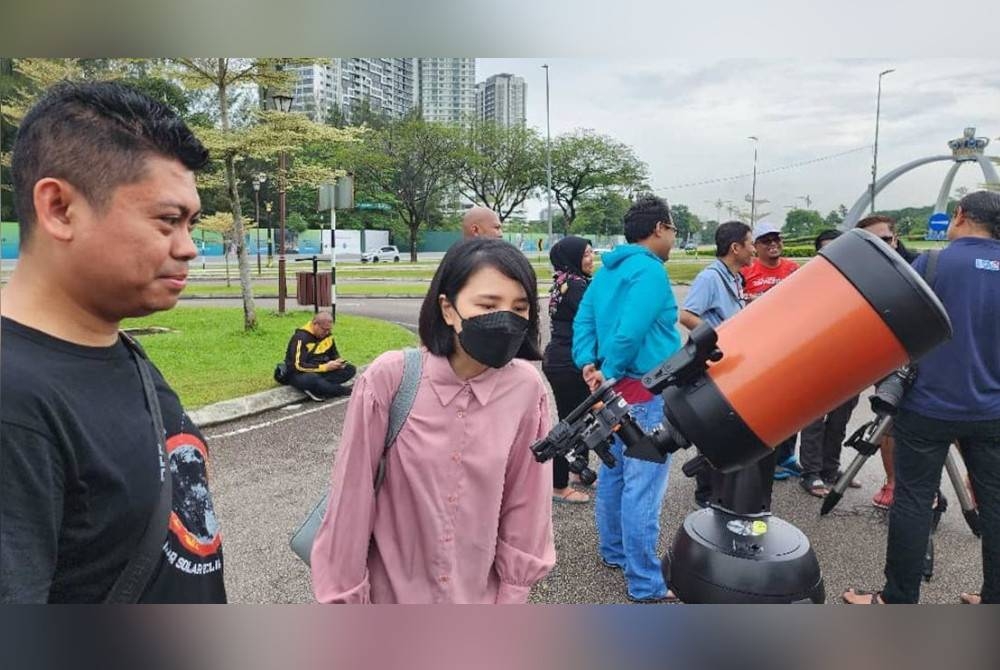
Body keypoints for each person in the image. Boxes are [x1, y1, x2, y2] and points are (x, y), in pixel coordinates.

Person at [1, 81, 226, 603]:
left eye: (190, 223)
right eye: (168, 221)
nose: (189, 248)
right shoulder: (15, 401)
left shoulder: (117, 349)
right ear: (59, 208)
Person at [311, 238, 555, 603]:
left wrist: (513, 594)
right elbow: (352, 498)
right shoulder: (391, 378)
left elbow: (528, 502)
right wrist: (346, 598)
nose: (506, 318)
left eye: (519, 307)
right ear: (448, 308)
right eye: (488, 304)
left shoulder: (525, 389)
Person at [843, 190, 1000, 605]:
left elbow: (892, 326)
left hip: (927, 406)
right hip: (992, 411)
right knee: (996, 504)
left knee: (913, 500)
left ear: (961, 215)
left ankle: (898, 600)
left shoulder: (930, 264)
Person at [572, 194, 682, 603]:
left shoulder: (606, 271)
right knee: (644, 487)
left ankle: (614, 552)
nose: (673, 238)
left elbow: (584, 320)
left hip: (612, 394)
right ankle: (645, 582)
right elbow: (631, 332)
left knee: (616, 474)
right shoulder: (650, 272)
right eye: (672, 230)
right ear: (658, 229)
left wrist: (590, 364)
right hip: (646, 393)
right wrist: (610, 367)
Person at [679, 220, 753, 507]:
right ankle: (706, 494)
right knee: (714, 428)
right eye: (749, 243)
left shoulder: (734, 277)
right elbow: (687, 316)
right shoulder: (710, 278)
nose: (753, 250)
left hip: (732, 365)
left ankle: (722, 487)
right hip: (717, 364)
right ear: (735, 248)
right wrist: (722, 336)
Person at [854, 214, 914, 508]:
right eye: (871, 243)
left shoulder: (920, 264)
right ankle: (891, 483)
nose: (881, 247)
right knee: (886, 422)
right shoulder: (858, 273)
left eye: (886, 240)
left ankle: (971, 482)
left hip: (923, 355)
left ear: (896, 238)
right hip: (886, 357)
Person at [797, 230, 861, 497]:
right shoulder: (806, 284)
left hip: (850, 363)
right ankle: (810, 473)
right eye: (826, 249)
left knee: (839, 421)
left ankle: (831, 469)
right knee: (813, 421)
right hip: (817, 363)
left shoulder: (859, 282)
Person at [741, 221, 802, 480]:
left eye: (776, 239)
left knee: (794, 404)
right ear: (755, 247)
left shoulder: (793, 269)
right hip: (759, 349)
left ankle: (787, 455)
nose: (773, 244)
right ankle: (768, 459)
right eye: (766, 241)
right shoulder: (748, 270)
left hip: (790, 346)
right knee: (767, 406)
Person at [542, 236, 597, 504]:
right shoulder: (576, 287)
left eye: (591, 253)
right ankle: (559, 485)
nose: (591, 258)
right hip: (567, 361)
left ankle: (578, 472)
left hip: (563, 358)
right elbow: (600, 318)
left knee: (582, 418)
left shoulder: (567, 281)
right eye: (586, 254)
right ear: (573, 257)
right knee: (571, 422)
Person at [284, 311, 356, 401]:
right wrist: (325, 367)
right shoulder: (300, 338)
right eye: (324, 329)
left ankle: (320, 388)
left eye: (329, 329)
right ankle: (342, 391)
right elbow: (298, 366)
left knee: (350, 369)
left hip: (321, 371)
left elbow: (333, 354)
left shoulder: (328, 336)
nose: (327, 332)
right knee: (312, 379)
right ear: (315, 324)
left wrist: (339, 362)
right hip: (301, 373)